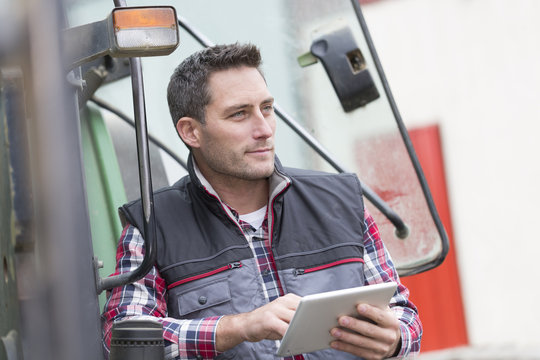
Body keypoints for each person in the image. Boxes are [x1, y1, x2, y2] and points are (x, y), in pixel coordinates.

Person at [102, 43, 422, 360]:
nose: (264, 129)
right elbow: (122, 339)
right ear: (191, 132)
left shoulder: (341, 202)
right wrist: (236, 328)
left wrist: (394, 338)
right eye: (240, 114)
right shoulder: (151, 227)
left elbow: (403, 315)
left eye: (266, 108)